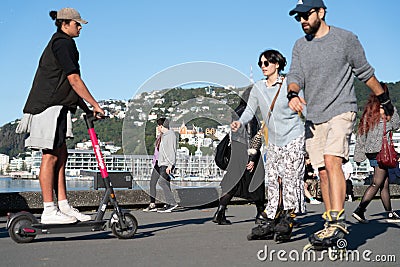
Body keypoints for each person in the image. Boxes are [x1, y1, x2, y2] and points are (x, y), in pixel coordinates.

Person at [287, 0, 395, 246]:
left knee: (331, 159)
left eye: (306, 14)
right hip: (314, 116)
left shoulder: (345, 39)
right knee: (322, 172)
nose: (302, 20)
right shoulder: (300, 46)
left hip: (342, 109)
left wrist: (384, 99)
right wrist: (293, 93)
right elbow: (295, 76)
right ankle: (329, 223)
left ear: (321, 12)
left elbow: (365, 72)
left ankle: (338, 220)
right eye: (298, 17)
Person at [21, 8, 104, 224]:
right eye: (77, 24)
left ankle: (64, 206)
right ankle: (49, 210)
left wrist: (87, 109)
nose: (80, 27)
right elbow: (73, 79)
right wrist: (96, 104)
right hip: (49, 106)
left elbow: (69, 83)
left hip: (59, 106)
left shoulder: (65, 43)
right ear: (64, 23)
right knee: (50, 156)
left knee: (62, 156)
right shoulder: (62, 42)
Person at [231, 49, 305, 241]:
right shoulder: (258, 88)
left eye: (266, 63)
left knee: (290, 178)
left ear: (277, 64)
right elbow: (249, 110)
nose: (263, 67)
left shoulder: (289, 84)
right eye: (261, 64)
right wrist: (240, 122)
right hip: (272, 140)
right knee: (272, 179)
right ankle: (271, 217)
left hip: (293, 137)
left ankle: (288, 218)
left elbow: (304, 106)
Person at [212, 87, 266, 225]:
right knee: (257, 183)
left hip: (236, 153)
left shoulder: (237, 112)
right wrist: (252, 158)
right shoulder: (249, 115)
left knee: (232, 184)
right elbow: (253, 137)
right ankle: (260, 213)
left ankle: (220, 212)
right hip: (246, 153)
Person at [353, 83, 400, 223]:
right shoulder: (388, 110)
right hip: (382, 151)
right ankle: (360, 210)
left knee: (384, 183)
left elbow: (361, 133)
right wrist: (392, 108)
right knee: (377, 182)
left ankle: (389, 213)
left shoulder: (369, 110)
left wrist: (359, 154)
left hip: (371, 152)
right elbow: (397, 125)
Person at [155, 118, 179, 213]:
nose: (157, 128)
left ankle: (172, 203)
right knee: (166, 183)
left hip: (166, 164)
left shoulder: (170, 135)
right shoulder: (164, 135)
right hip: (163, 163)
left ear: (161, 126)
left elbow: (172, 150)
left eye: (158, 126)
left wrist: (170, 165)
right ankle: (169, 204)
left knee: (161, 182)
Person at [142, 132, 162, 212]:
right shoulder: (159, 137)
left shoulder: (166, 137)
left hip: (162, 162)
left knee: (164, 183)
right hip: (157, 163)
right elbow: (156, 152)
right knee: (152, 183)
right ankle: (152, 203)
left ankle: (169, 203)